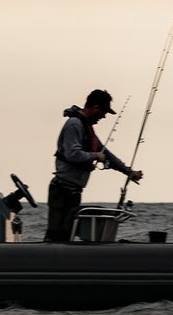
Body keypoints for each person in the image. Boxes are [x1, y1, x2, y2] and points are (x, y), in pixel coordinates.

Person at [45, 89, 144, 242]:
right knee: (55, 236)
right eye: (103, 112)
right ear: (96, 107)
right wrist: (95, 156)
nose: (103, 117)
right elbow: (73, 154)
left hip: (73, 192)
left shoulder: (87, 129)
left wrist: (128, 172)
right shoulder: (74, 124)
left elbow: (108, 155)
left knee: (67, 237)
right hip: (61, 191)